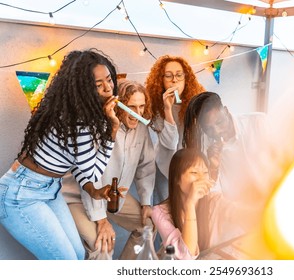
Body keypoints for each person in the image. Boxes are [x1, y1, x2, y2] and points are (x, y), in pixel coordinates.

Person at [0, 49, 120, 260]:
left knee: (77, 255)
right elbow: (91, 171)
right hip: (21, 195)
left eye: (109, 80)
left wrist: (92, 191)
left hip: (49, 189)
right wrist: (112, 130)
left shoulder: (83, 114)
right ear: (83, 89)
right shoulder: (78, 122)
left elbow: (76, 163)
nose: (108, 89)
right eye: (98, 85)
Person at [62, 79, 156, 260]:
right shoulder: (98, 128)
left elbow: (147, 166)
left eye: (142, 106)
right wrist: (101, 220)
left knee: (147, 227)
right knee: (102, 244)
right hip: (81, 196)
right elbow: (91, 177)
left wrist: (146, 203)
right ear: (118, 106)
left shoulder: (141, 128)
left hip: (114, 194)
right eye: (132, 107)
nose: (138, 113)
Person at [151, 148, 257, 260]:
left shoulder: (214, 200)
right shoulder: (160, 212)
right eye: (194, 172)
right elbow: (187, 257)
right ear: (177, 178)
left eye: (205, 173)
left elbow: (238, 213)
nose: (202, 178)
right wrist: (190, 204)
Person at [182, 91, 277, 205]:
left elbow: (282, 161)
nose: (217, 131)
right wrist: (213, 168)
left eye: (220, 122)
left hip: (269, 201)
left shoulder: (258, 123)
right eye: (209, 129)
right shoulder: (206, 147)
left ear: (226, 111)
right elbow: (208, 194)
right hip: (234, 211)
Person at [145, 55, 205, 204]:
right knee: (165, 215)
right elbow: (171, 143)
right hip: (165, 169)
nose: (174, 80)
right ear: (161, 80)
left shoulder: (197, 104)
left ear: (186, 78)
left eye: (179, 75)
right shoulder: (156, 107)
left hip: (190, 169)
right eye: (168, 76)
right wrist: (167, 109)